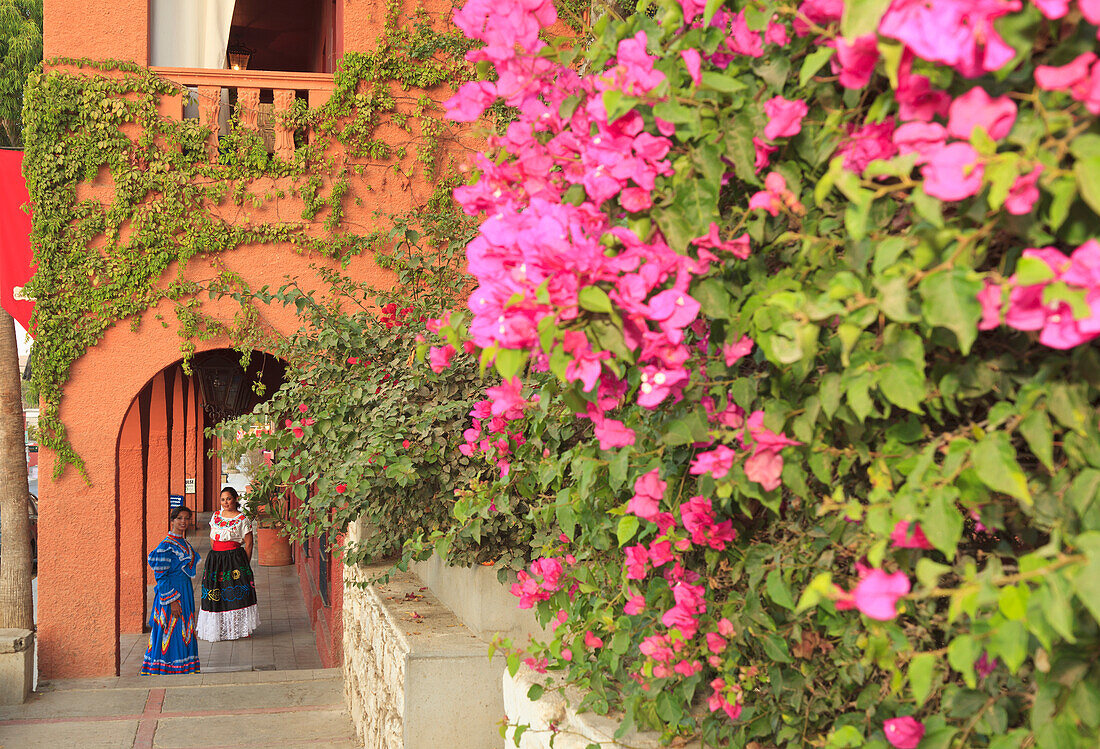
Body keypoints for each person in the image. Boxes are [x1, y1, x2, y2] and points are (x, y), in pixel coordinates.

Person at [140, 506, 200, 675]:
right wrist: (172, 601)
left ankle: (184, 668)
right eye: (179, 518)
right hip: (172, 594)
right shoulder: (166, 546)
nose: (183, 522)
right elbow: (160, 577)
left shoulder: (184, 543)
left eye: (187, 518)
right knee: (171, 629)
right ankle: (168, 669)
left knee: (184, 628)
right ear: (172, 520)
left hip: (185, 591)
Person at [197, 486, 259, 641]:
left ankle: (237, 629)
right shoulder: (216, 516)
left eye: (229, 498)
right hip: (216, 559)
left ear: (235, 499)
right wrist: (217, 556)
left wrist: (244, 564)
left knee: (234, 593)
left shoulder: (242, 519)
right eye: (223, 499)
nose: (225, 502)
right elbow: (212, 539)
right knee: (215, 593)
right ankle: (219, 629)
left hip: (234, 560)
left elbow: (249, 543)